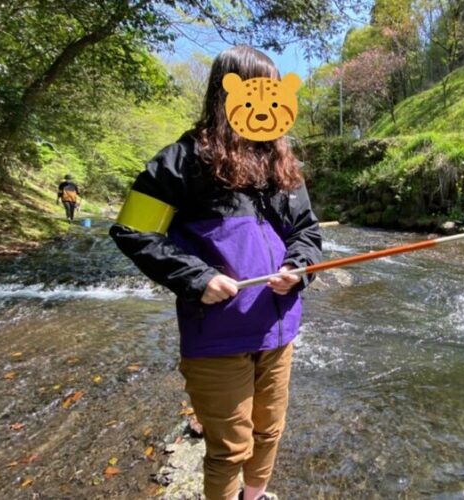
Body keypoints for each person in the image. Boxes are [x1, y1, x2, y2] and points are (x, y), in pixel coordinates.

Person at [108, 45, 322, 500]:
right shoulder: (180, 161)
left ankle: (256, 495)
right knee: (228, 448)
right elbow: (131, 230)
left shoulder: (284, 164)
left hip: (278, 330)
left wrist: (298, 269)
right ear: (229, 95)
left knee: (270, 431)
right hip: (216, 337)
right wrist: (196, 278)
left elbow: (306, 231)